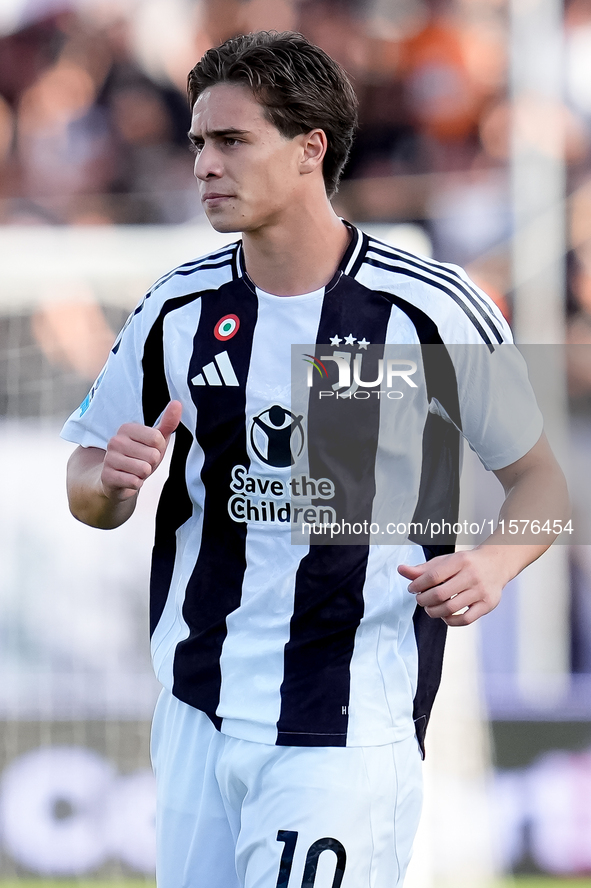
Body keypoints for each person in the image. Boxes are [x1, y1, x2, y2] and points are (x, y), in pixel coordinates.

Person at [62, 31, 568, 888]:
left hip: (344, 728)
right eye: (197, 143)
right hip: (196, 711)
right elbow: (85, 482)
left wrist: (493, 561)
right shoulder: (176, 308)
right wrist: (108, 484)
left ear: (309, 149)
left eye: (231, 141)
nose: (203, 166)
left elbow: (541, 481)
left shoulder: (426, 310)